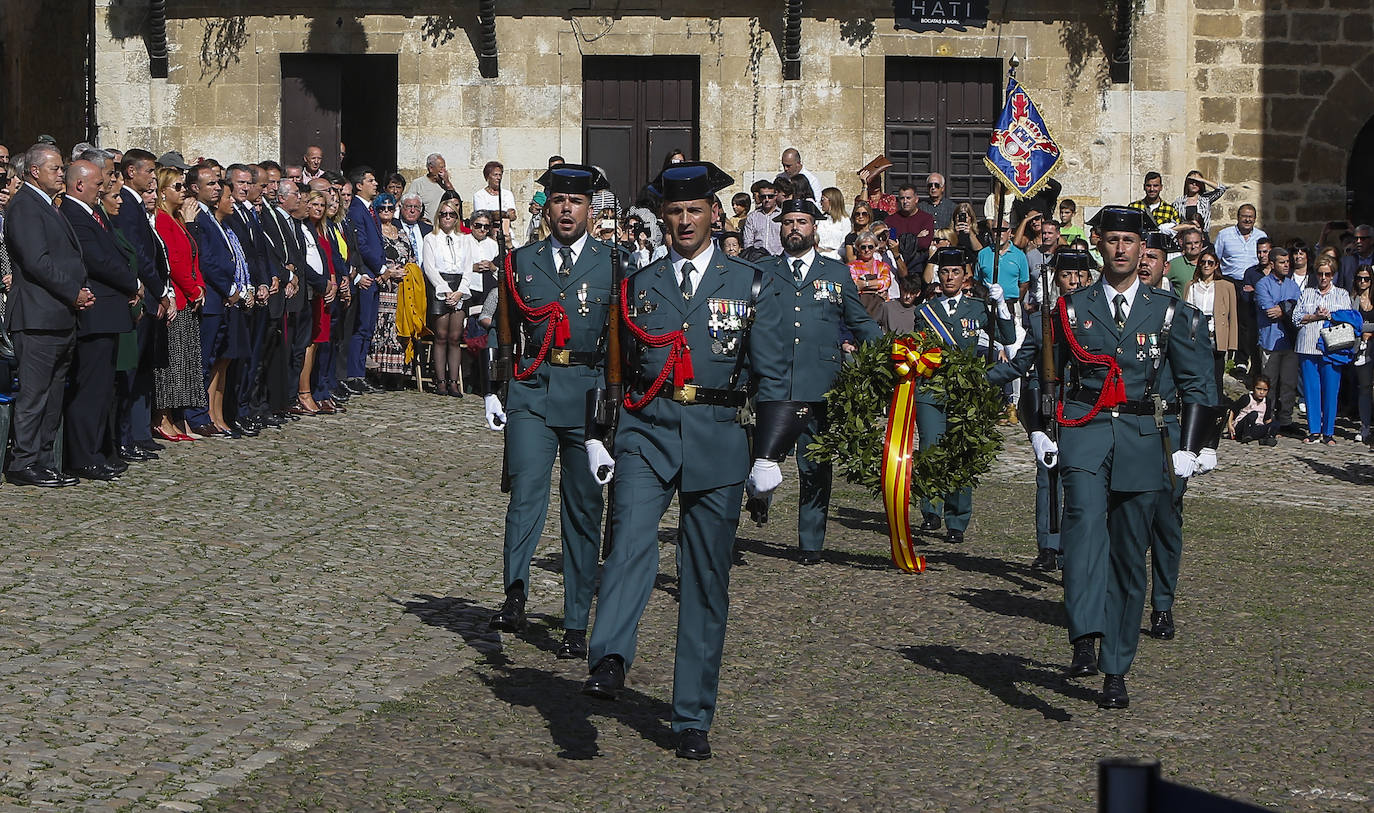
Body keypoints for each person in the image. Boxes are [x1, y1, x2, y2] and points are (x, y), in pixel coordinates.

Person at [581, 161, 785, 762]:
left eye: (695, 211)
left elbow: (773, 375)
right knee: (629, 543)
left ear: (714, 216)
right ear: (663, 220)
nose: (685, 221)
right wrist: (599, 434)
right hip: (647, 431)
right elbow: (610, 364)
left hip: (721, 437)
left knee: (704, 578)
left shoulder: (749, 282)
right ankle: (610, 655)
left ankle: (693, 713)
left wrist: (770, 453)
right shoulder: (639, 285)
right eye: (674, 213)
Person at [1042, 206, 1215, 709]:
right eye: (1112, 239)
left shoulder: (1169, 312)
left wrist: (1194, 448)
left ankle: (1116, 665)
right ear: (1099, 244)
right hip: (1086, 433)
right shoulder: (1070, 308)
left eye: (1130, 241)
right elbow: (1045, 370)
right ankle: (1085, 632)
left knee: (1128, 556)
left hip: (1143, 438)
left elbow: (1198, 382)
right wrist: (1040, 430)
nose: (1121, 249)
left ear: (1144, 251)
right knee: (1082, 534)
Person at [486, 164, 620, 664]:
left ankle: (575, 619)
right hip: (532, 392)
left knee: (583, 510)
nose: (567, 209)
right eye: (559, 200)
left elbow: (620, 342)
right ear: (546, 207)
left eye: (577, 202)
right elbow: (505, 325)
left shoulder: (613, 263)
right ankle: (515, 592)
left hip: (586, 395)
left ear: (590, 210)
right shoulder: (521, 261)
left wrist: (614, 408)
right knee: (525, 493)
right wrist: (495, 387)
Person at [753, 198, 880, 564]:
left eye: (802, 222)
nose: (795, 227)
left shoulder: (837, 273)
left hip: (819, 385)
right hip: (773, 383)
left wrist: (890, 352)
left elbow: (860, 321)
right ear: (780, 228)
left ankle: (810, 542)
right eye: (789, 221)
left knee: (815, 467)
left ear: (815, 228)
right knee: (762, 459)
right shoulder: (762, 271)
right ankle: (759, 499)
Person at [987, 250, 1092, 570]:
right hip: (1054, 404)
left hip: (1092, 405)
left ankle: (1079, 546)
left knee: (1087, 481)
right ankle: (1048, 545)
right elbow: (1020, 365)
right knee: (1049, 476)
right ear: (1056, 280)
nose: (1074, 281)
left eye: (1080, 276)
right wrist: (977, 378)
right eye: (1066, 275)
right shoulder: (1042, 321)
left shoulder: (1101, 316)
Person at [915, 248, 1015, 543]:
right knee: (932, 449)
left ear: (965, 276)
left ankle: (957, 519)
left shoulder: (977, 308)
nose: (948, 277)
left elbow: (1007, 337)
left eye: (955, 272)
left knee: (961, 453)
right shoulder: (925, 311)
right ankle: (931, 511)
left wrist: (1002, 306)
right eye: (944, 272)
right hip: (931, 391)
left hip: (965, 392)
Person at [57, 159, 139, 479]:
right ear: (79, 184)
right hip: (96, 313)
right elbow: (98, 260)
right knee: (90, 389)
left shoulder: (92, 213)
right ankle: (83, 455)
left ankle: (101, 448)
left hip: (110, 311)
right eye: (96, 184)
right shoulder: (74, 214)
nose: (102, 189)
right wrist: (132, 282)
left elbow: (115, 253)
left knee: (105, 388)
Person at [110, 148, 172, 458]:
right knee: (130, 371)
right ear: (131, 172)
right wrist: (160, 290)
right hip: (140, 296)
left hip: (149, 296)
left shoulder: (137, 207)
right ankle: (125, 437)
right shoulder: (128, 206)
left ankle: (138, 432)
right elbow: (138, 254)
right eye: (148, 171)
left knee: (145, 368)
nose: (153, 177)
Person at [151, 166, 207, 441]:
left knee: (183, 361)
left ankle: (173, 416)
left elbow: (193, 256)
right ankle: (162, 417)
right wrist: (192, 288)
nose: (183, 191)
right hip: (179, 297)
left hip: (189, 297)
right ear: (163, 192)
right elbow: (174, 261)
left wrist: (199, 288)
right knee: (172, 364)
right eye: (177, 187)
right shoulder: (162, 220)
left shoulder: (177, 220)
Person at [1293, 254, 1354, 444]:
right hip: (1308, 346)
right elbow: (1296, 318)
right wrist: (1315, 316)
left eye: (1327, 274)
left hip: (1332, 347)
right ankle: (1313, 430)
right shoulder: (1307, 293)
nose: (1324, 278)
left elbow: (1348, 318)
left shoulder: (1341, 294)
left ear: (1333, 275)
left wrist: (1331, 316)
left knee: (1330, 390)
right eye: (1320, 274)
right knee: (1311, 390)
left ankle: (1328, 432)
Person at [421, 198, 476, 396]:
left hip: (459, 285)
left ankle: (454, 381)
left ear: (456, 218)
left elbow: (468, 268)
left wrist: (460, 291)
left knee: (455, 336)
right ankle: (441, 381)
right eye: (443, 214)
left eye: (451, 215)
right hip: (440, 286)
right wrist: (444, 290)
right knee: (441, 335)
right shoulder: (431, 238)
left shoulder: (465, 239)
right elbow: (429, 268)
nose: (447, 218)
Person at [343, 165, 384, 394]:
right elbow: (363, 246)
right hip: (366, 274)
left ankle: (359, 372)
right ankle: (353, 373)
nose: (376, 183)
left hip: (373, 274)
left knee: (368, 326)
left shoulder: (370, 209)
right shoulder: (357, 210)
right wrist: (381, 268)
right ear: (360, 185)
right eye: (371, 180)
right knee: (361, 326)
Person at [1254, 246, 1301, 436]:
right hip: (1270, 340)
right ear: (1272, 264)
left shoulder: (1292, 285)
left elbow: (1298, 309)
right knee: (1269, 383)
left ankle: (1286, 419)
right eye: (1282, 262)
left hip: (1289, 341)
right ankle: (1268, 418)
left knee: (1289, 383)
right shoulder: (1262, 285)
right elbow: (1269, 310)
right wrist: (1287, 308)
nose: (1287, 265)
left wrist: (1283, 308)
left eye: (1288, 262)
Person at [370, 193, 415, 388]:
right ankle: (377, 372)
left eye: (390, 208)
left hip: (402, 288)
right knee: (381, 329)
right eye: (382, 208)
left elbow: (411, 256)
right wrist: (388, 273)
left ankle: (397, 374)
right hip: (384, 286)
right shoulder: (374, 230)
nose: (386, 211)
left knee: (399, 328)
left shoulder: (401, 231)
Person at [1215, 204, 1267, 373]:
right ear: (1238, 217)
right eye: (1244, 216)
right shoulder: (1225, 235)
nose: (1247, 219)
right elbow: (1217, 258)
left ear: (1255, 218)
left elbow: (1263, 260)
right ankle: (1227, 354)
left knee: (1247, 321)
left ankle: (1243, 359)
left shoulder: (1261, 235)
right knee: (1228, 319)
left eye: (1251, 216)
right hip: (1230, 280)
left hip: (1252, 282)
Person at [1183, 247, 1237, 399]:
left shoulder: (1226, 286)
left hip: (1216, 334)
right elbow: (1185, 311)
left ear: (1216, 265)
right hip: (1196, 332)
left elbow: (1233, 316)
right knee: (1197, 373)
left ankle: (1216, 406)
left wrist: (1232, 344)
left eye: (1210, 262)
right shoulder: (1192, 285)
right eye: (1203, 262)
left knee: (1216, 375)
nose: (1206, 265)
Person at [846, 227, 894, 316]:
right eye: (863, 247)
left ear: (875, 247)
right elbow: (854, 285)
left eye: (870, 247)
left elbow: (885, 283)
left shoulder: (883, 266)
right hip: (860, 308)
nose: (867, 250)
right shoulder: (851, 266)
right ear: (857, 248)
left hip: (881, 309)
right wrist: (876, 288)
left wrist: (864, 284)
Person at [1350, 267, 1374, 443]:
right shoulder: (1352, 300)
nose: (1363, 282)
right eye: (1360, 278)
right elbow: (1349, 323)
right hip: (1361, 349)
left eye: (1366, 279)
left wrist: (1369, 330)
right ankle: (1364, 425)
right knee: (1364, 387)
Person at [405, 153, 458, 225]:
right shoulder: (418, 184)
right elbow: (408, 204)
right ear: (431, 168)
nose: (444, 170)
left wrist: (447, 181)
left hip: (444, 227)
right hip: (427, 227)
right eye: (441, 168)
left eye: (444, 167)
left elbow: (455, 200)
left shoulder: (445, 184)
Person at [1171, 171, 1228, 236]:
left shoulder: (1205, 199)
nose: (1194, 184)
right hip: (1185, 236)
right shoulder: (1179, 202)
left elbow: (1222, 189)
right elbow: (1174, 222)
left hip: (1202, 235)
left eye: (1197, 182)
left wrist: (1202, 180)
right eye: (1191, 182)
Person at [472, 160, 517, 242]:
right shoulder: (479, 195)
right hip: (488, 236)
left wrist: (498, 214)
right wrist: (505, 214)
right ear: (488, 176)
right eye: (495, 175)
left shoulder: (507, 194)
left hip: (506, 234)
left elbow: (513, 216)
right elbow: (483, 216)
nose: (498, 178)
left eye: (500, 175)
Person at [1227, 375, 1277, 444]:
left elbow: (1267, 419)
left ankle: (1267, 438)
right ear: (1253, 388)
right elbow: (1232, 410)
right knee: (1254, 414)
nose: (1261, 392)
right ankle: (1245, 435)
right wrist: (1230, 424)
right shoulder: (1247, 398)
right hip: (1241, 427)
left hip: (1256, 427)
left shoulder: (1267, 401)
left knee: (1276, 423)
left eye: (1265, 390)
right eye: (1259, 389)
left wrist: (1271, 428)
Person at [742, 179, 782, 255]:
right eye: (763, 197)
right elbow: (748, 241)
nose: (767, 200)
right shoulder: (752, 216)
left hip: (778, 258)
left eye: (770, 196)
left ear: (775, 196)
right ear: (760, 198)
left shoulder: (782, 215)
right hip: (758, 259)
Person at [815, 187, 850, 260]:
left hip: (837, 258)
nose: (820, 203)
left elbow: (845, 247)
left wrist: (828, 252)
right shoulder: (819, 219)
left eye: (823, 199)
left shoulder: (844, 220)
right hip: (819, 256)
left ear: (831, 201)